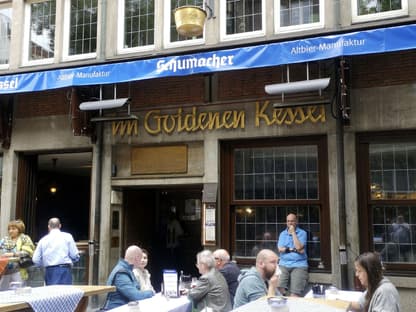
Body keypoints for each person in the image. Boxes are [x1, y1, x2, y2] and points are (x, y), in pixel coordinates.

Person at [103, 245, 154, 310]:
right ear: (136, 258)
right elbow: (136, 296)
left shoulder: (127, 269)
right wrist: (151, 292)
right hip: (116, 309)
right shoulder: (121, 273)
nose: (142, 261)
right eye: (140, 258)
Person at [32, 217, 80, 285]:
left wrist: (44, 264)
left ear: (48, 226)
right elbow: (74, 255)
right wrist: (72, 260)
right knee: (65, 294)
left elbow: (35, 259)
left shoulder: (43, 240)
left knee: (51, 294)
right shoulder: (67, 236)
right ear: (60, 225)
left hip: (49, 271)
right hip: (64, 270)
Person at [277, 213, 308, 297]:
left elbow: (298, 247)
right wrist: (292, 249)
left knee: (295, 294)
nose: (290, 223)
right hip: (283, 264)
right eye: (288, 221)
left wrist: (293, 233)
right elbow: (280, 249)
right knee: (278, 291)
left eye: (292, 221)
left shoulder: (302, 233)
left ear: (296, 222)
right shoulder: (282, 234)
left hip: (299, 264)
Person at [0, 219, 35, 290]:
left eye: (13, 229)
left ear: (19, 229)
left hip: (19, 270)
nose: (10, 231)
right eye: (9, 229)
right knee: (3, 293)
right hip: (4, 271)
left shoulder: (25, 238)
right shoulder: (5, 240)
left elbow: (27, 252)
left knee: (18, 292)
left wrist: (12, 254)